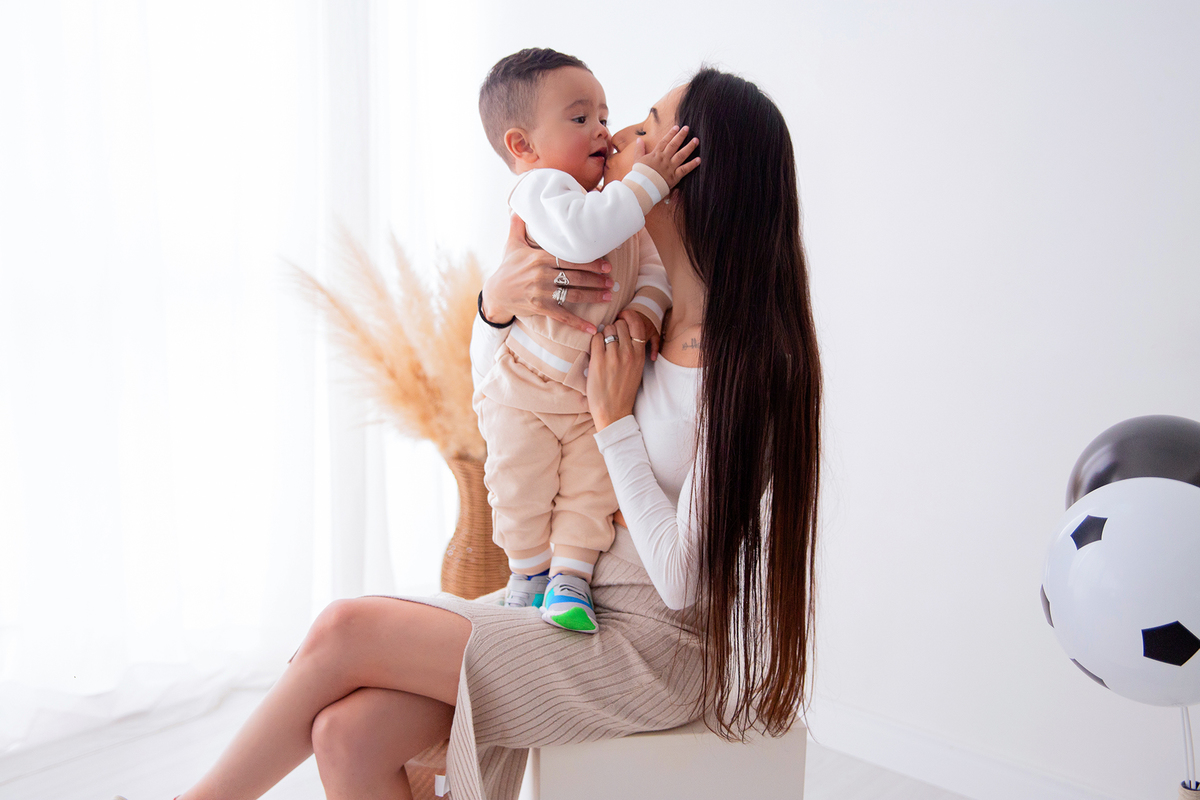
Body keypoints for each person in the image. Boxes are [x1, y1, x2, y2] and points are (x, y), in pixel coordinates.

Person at [169, 66, 820, 800]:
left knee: (342, 628)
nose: (621, 140)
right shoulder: (640, 304)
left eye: (646, 127)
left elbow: (678, 579)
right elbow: (507, 398)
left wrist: (611, 425)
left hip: (649, 648)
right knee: (347, 733)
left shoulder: (742, 367)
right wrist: (495, 310)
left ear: (697, 175)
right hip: (571, 603)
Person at [474, 47, 699, 634]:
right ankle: (526, 574)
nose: (605, 131)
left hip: (581, 397)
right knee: (519, 484)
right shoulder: (543, 193)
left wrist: (647, 314)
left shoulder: (617, 214)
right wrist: (650, 182)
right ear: (523, 147)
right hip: (526, 387)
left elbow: (651, 273)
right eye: (581, 120)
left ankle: (569, 578)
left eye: (605, 115)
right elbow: (579, 238)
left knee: (589, 490)